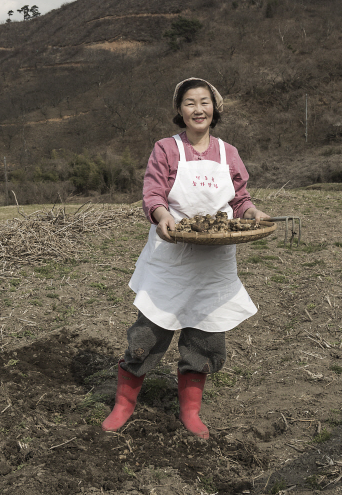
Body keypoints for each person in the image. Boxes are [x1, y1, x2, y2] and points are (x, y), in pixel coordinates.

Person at [102, 77, 270, 439]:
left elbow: (240, 199)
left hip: (214, 263)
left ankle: (190, 411)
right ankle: (124, 404)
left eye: (205, 102)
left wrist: (252, 212)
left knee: (206, 338)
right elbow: (153, 193)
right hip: (172, 257)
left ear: (215, 108)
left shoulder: (229, 153)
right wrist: (163, 217)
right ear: (179, 110)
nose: (198, 109)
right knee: (148, 332)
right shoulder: (166, 148)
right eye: (190, 102)